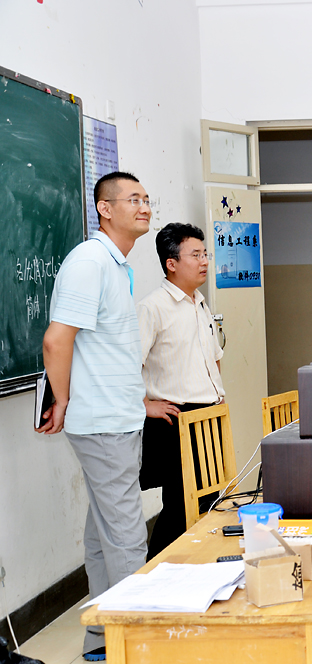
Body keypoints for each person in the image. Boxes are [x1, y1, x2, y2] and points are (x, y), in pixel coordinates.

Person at [35, 171, 151, 662]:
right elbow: (56, 340)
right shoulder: (90, 261)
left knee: (105, 536)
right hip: (102, 422)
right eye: (133, 199)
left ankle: (102, 640)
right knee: (127, 538)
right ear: (105, 208)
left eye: (147, 199)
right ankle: (134, 646)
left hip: (117, 418)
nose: (144, 207)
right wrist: (61, 400)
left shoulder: (116, 264)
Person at [137, 223, 225, 559]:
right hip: (177, 418)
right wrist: (145, 404)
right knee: (179, 506)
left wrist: (215, 394)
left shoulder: (200, 303)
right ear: (171, 263)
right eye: (195, 255)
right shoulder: (153, 307)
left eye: (205, 254)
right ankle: (155, 572)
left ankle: (199, 568)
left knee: (210, 501)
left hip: (207, 415)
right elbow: (129, 364)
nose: (204, 261)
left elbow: (214, 357)